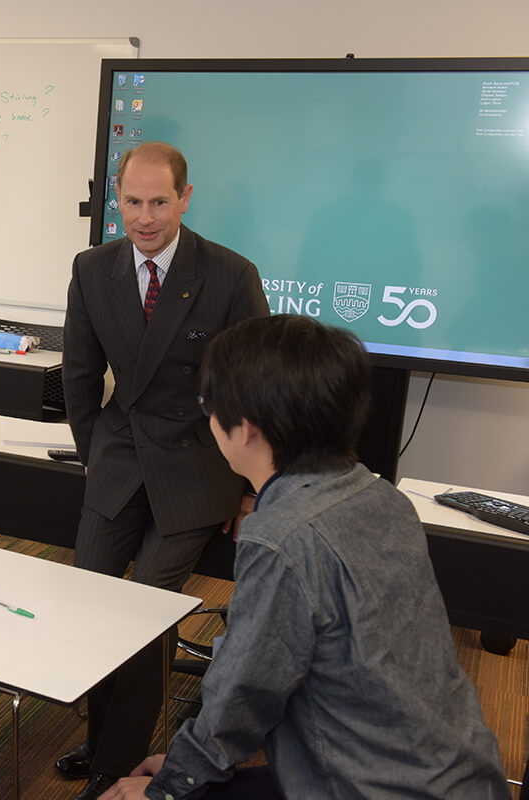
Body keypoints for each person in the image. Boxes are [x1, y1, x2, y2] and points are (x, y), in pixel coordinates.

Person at [98, 314, 509, 799]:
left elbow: (242, 695)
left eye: (208, 406)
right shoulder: (382, 497)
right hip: (461, 776)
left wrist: (169, 787)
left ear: (245, 429)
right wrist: (189, 766)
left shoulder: (281, 535)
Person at [59, 141, 269, 799]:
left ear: (185, 198)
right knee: (91, 601)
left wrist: (252, 489)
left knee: (145, 613)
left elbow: (255, 388)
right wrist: (95, 454)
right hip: (119, 459)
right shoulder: (93, 268)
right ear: (116, 200)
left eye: (158, 202)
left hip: (196, 468)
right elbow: (79, 376)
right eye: (132, 202)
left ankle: (116, 765)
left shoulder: (229, 274)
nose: (144, 217)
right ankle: (100, 737)